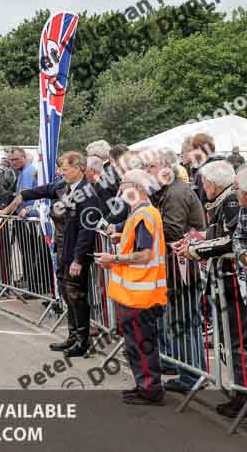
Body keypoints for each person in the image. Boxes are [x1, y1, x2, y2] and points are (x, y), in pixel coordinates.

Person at [0, 152, 102, 357]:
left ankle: (83, 340)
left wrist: (79, 259)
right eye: (61, 168)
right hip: (61, 248)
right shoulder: (64, 187)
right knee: (65, 292)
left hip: (75, 252)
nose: (62, 172)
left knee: (76, 295)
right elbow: (45, 189)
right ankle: (73, 336)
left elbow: (87, 229)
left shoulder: (88, 193)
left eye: (66, 168)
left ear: (79, 168)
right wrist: (24, 195)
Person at [95, 169, 167, 405]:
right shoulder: (140, 213)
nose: (120, 190)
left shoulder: (144, 214)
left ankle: (150, 389)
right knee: (137, 342)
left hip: (140, 292)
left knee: (141, 343)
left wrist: (113, 259)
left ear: (135, 187)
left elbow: (144, 254)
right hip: (136, 290)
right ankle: (144, 386)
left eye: (124, 185)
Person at [181, 160, 245, 418]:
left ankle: (241, 396)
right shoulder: (225, 200)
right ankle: (237, 392)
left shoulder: (230, 200)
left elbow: (233, 240)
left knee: (236, 340)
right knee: (229, 340)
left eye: (204, 182)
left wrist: (197, 249)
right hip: (224, 281)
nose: (202, 187)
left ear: (212, 182)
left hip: (232, 282)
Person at [146, 148, 206, 393]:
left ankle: (190, 376)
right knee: (181, 320)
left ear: (166, 169)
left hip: (183, 267)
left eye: (151, 168)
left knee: (182, 321)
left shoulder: (176, 193)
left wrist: (143, 233)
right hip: (177, 265)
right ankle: (189, 372)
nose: (147, 172)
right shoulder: (167, 192)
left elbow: (171, 230)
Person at [228, 165, 247, 418]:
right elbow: (238, 238)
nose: (236, 196)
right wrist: (243, 255)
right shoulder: (243, 210)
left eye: (239, 191)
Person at [9, 147, 37, 216]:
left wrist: (4, 211)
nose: (14, 162)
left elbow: (22, 197)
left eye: (16, 159)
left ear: (24, 157)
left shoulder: (27, 171)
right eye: (12, 160)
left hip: (29, 216)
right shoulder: (22, 171)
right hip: (25, 215)